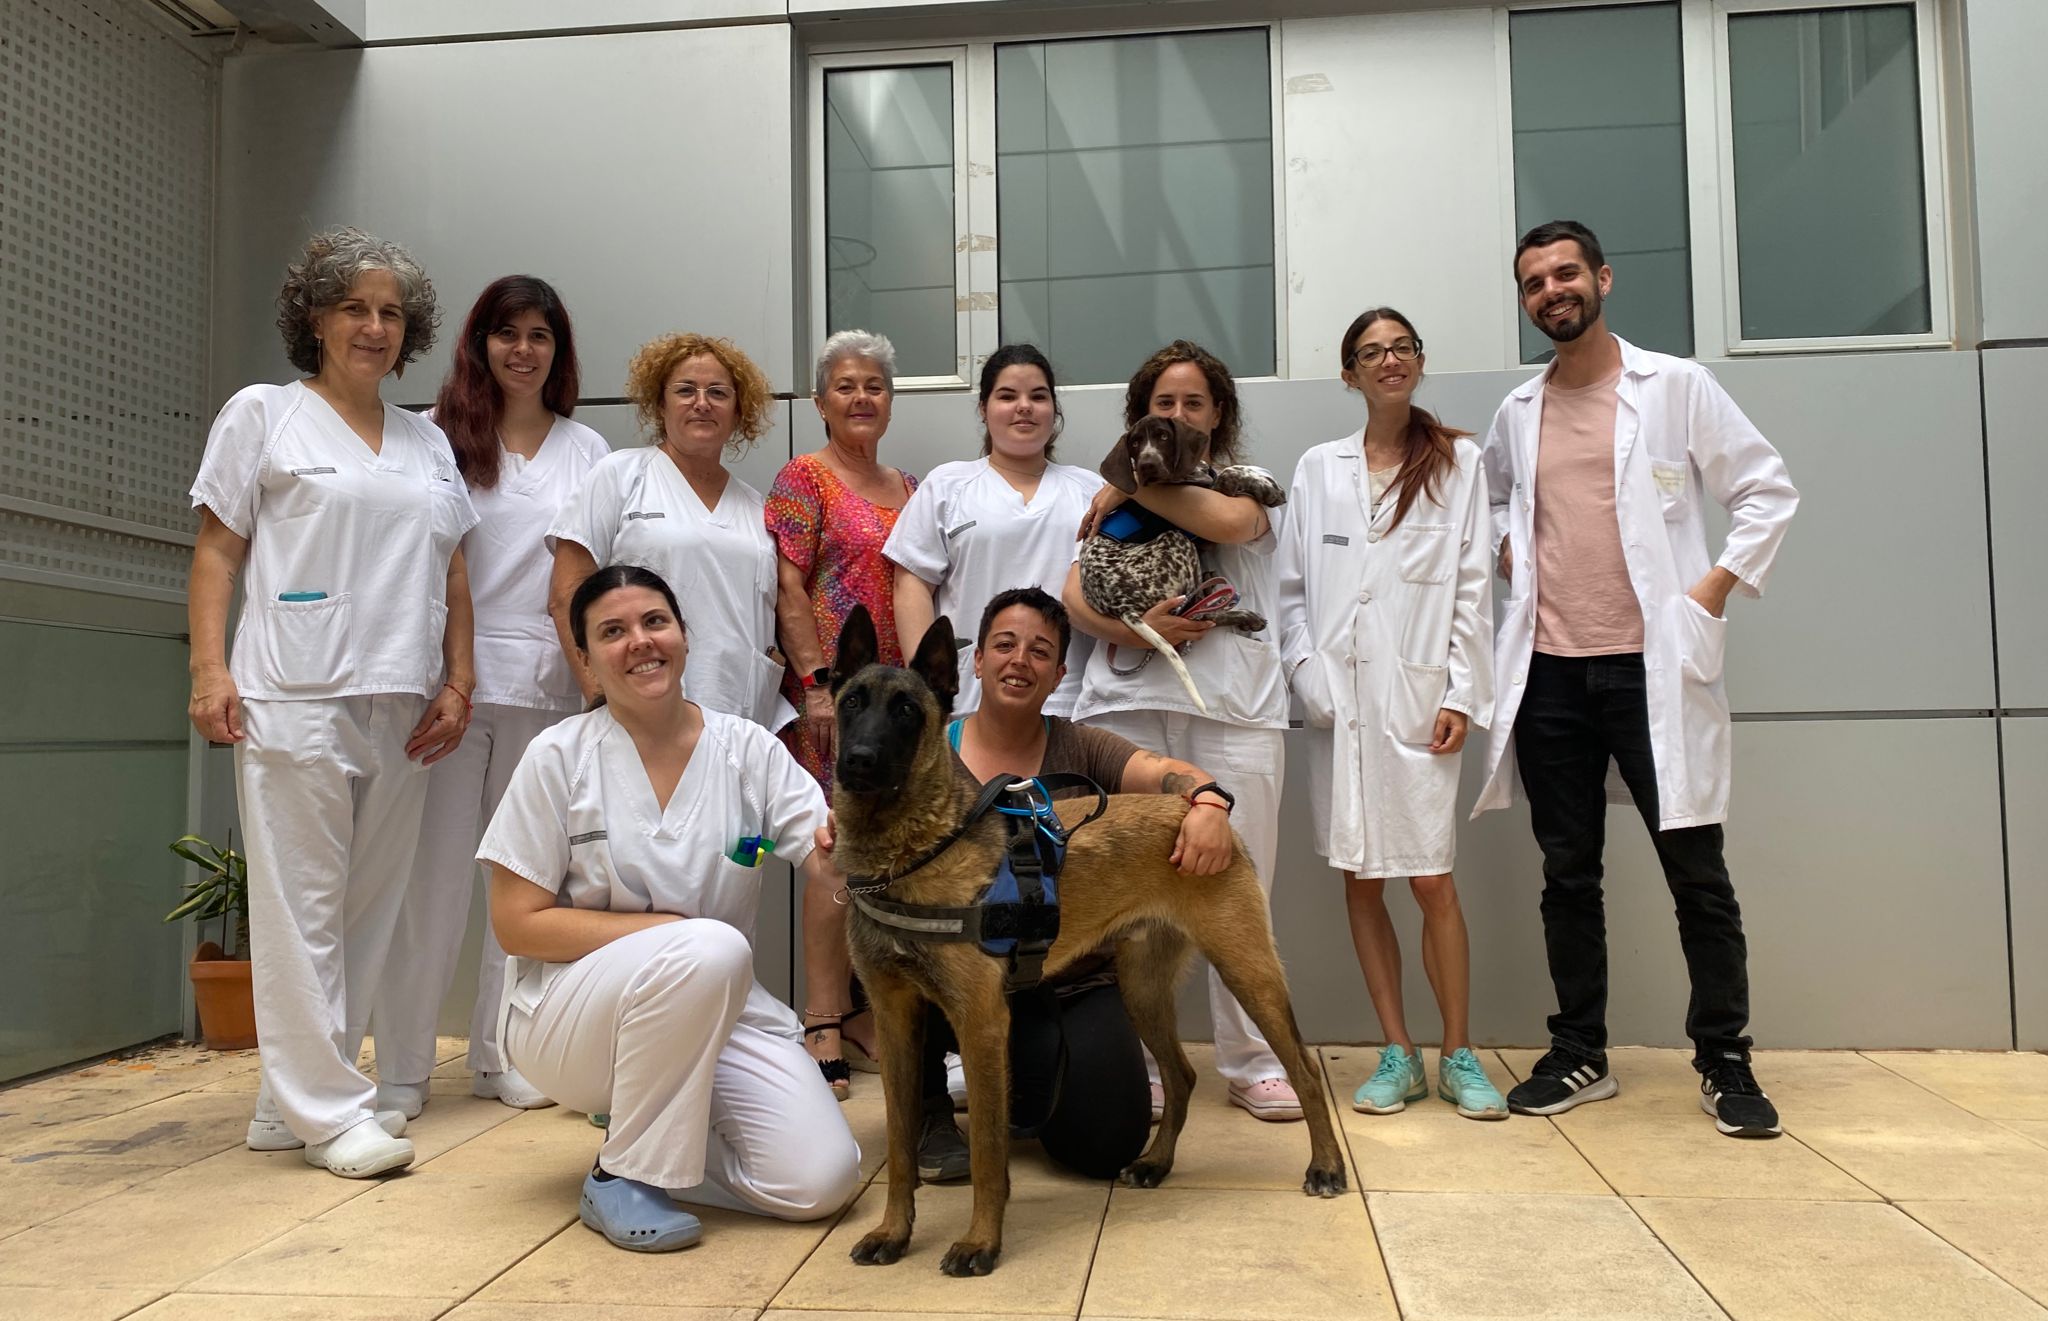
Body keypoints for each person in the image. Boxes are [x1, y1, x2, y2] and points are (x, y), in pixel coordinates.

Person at [1476, 220, 1798, 1137]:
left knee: (1695, 868)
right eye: (1534, 282)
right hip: (1549, 671)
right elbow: (1497, 493)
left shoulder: (1676, 386)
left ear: (1603, 279)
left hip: (1651, 663)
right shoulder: (1518, 412)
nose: (1552, 291)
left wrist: (1710, 590)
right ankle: (1579, 1049)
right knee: (1567, 871)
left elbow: (1766, 488)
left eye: (1565, 273)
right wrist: (1507, 542)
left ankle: (1725, 1056)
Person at [186, 228, 475, 1178]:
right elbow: (217, 552)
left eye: (391, 313)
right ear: (314, 317)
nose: (375, 326)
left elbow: (455, 574)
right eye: (354, 307)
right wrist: (209, 670)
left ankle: (291, 1104)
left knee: (365, 910)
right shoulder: (264, 414)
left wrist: (457, 680)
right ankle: (329, 1111)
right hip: (293, 694)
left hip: (403, 702)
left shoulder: (427, 439)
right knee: (300, 909)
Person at [480, 565, 861, 1253]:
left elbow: (827, 850)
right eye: (612, 631)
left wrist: (856, 845)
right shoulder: (557, 757)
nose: (639, 642)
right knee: (710, 948)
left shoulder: (747, 750)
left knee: (820, 1182)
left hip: (720, 1009)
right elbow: (516, 922)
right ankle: (618, 1170)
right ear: (587, 657)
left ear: (684, 635)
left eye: (655, 621)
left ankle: (655, 1136)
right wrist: (669, 934)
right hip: (572, 1019)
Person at [370, 276, 608, 1117]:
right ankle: (399, 1069)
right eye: (506, 332)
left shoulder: (590, 450)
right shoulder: (435, 437)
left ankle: (502, 1054)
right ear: (480, 343)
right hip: (450, 692)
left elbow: (591, 582)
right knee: (430, 883)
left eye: (540, 334)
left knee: (526, 889)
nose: (522, 349)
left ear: (558, 351)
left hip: (548, 694)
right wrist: (447, 676)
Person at [1061, 341, 1299, 1122]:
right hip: (1126, 709)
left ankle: (1254, 1060)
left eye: (1193, 403)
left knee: (1238, 892)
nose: (1178, 415)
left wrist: (1122, 479)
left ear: (1218, 415)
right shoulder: (1108, 500)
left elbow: (1224, 520)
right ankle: (1142, 1060)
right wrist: (1132, 632)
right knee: (1117, 895)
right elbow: (1072, 595)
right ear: (1142, 414)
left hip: (1231, 710)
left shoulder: (1242, 490)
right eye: (1163, 404)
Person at [1275, 308, 1504, 1120]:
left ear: (1418, 361)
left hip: (1418, 699)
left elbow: (1475, 585)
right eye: (1371, 352)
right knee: (1362, 878)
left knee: (1431, 876)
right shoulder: (1318, 467)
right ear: (1349, 374)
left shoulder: (1457, 463)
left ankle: (1460, 1051)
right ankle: (1399, 1050)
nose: (1388, 361)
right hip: (1339, 707)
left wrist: (1460, 692)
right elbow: (1292, 592)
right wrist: (1307, 674)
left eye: (1401, 348)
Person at [768, 329, 918, 1096]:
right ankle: (822, 1018)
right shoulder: (805, 478)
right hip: (833, 700)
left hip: (898, 713)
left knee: (884, 858)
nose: (863, 398)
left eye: (876, 386)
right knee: (832, 849)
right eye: (847, 386)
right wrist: (817, 685)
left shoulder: (914, 486)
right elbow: (789, 588)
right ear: (822, 401)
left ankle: (864, 1013)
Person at [549, 333, 785, 726]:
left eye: (718, 393)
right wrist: (599, 695)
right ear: (660, 404)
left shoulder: (757, 508)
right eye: (685, 390)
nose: (702, 403)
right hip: (637, 712)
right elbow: (565, 595)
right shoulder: (620, 476)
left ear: (738, 409)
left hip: (742, 719)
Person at [887, 344, 1104, 717]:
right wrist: (927, 687)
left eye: (1038, 396)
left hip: (1072, 701)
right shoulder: (948, 485)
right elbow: (911, 586)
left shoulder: (1090, 491)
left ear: (1054, 410)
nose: (1024, 406)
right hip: (969, 702)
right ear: (984, 408)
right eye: (1007, 396)